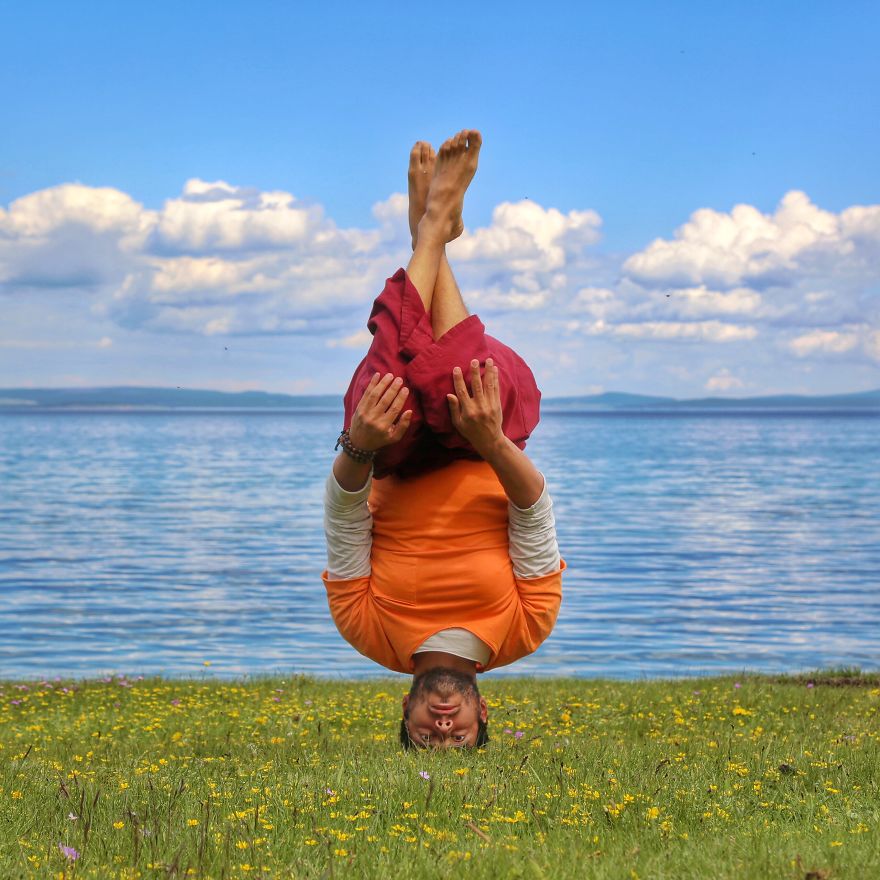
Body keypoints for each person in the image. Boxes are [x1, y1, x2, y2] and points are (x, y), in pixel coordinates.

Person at [322, 131, 565, 749]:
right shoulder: (525, 628)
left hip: (391, 453)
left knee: (392, 381)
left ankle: (431, 232)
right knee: (448, 381)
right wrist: (488, 440)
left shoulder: (367, 632)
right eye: (458, 740)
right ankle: (431, 231)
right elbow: (533, 506)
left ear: (404, 713)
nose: (443, 727)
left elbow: (345, 512)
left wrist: (360, 444)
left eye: (426, 739)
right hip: (490, 429)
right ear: (485, 719)